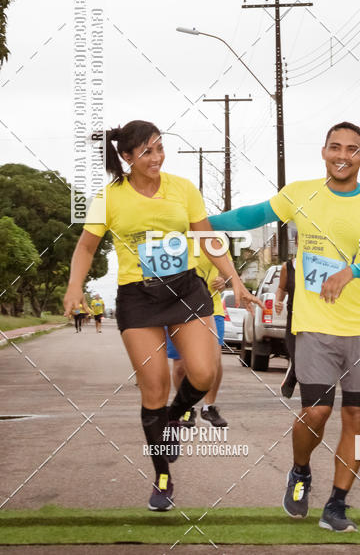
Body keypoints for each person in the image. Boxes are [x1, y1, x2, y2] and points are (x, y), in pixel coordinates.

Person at [210, 121, 360, 532]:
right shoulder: (301, 194)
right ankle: (300, 470)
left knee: (356, 419)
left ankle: (336, 504)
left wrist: (353, 271)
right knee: (316, 413)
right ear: (324, 152)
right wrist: (205, 221)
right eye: (335, 147)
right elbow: (256, 213)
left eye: (352, 149)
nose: (343, 155)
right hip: (314, 326)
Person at [63, 120, 261, 512]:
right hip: (139, 298)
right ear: (126, 157)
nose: (157, 157)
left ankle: (176, 415)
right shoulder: (108, 198)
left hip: (186, 289)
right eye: (147, 151)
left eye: (159, 148)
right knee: (152, 387)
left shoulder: (183, 189)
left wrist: (233, 278)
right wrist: (74, 287)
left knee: (203, 373)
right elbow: (86, 248)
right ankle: (162, 476)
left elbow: (206, 237)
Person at [166, 247, 230, 429]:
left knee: (215, 361)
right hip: (177, 309)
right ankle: (187, 409)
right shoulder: (171, 236)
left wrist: (224, 280)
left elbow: (228, 272)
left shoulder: (215, 240)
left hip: (211, 309)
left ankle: (208, 407)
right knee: (180, 367)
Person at [275, 257, 297, 398]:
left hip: (316, 316)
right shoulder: (287, 267)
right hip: (294, 317)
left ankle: (294, 373)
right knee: (296, 353)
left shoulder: (320, 264)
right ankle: (293, 373)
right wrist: (278, 300)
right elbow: (281, 288)